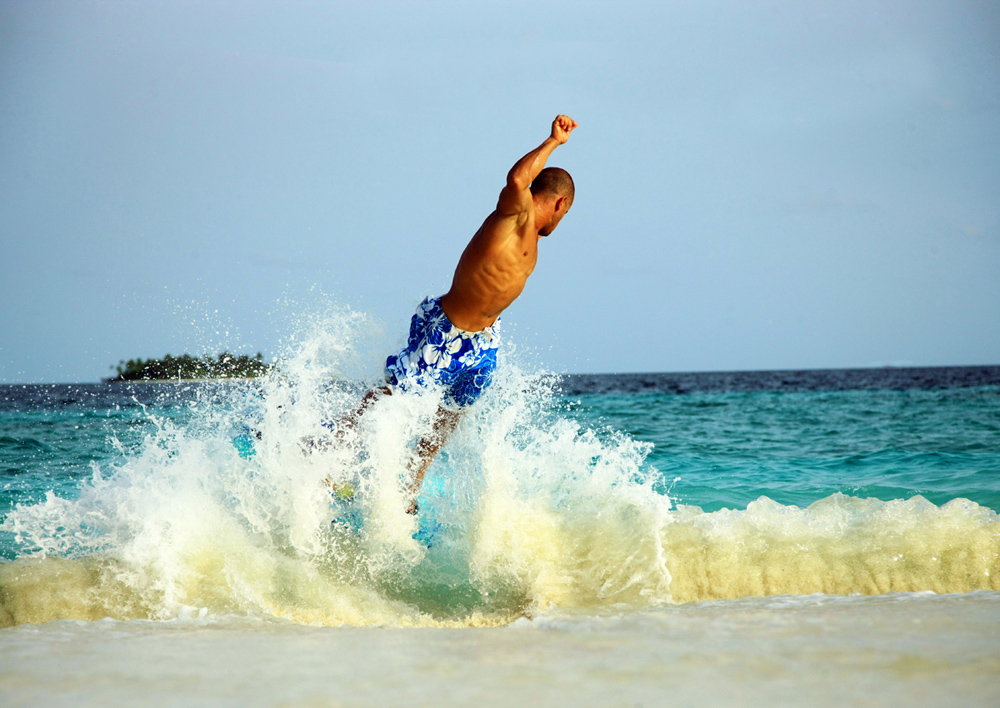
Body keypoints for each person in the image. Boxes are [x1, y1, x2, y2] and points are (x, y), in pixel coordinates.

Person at [340, 114, 578, 513]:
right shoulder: (516, 216)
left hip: (482, 343)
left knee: (449, 416)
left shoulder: (532, 238)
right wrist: (553, 142)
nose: (561, 221)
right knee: (394, 397)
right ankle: (329, 446)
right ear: (560, 203)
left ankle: (408, 488)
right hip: (445, 331)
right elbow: (518, 181)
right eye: (565, 214)